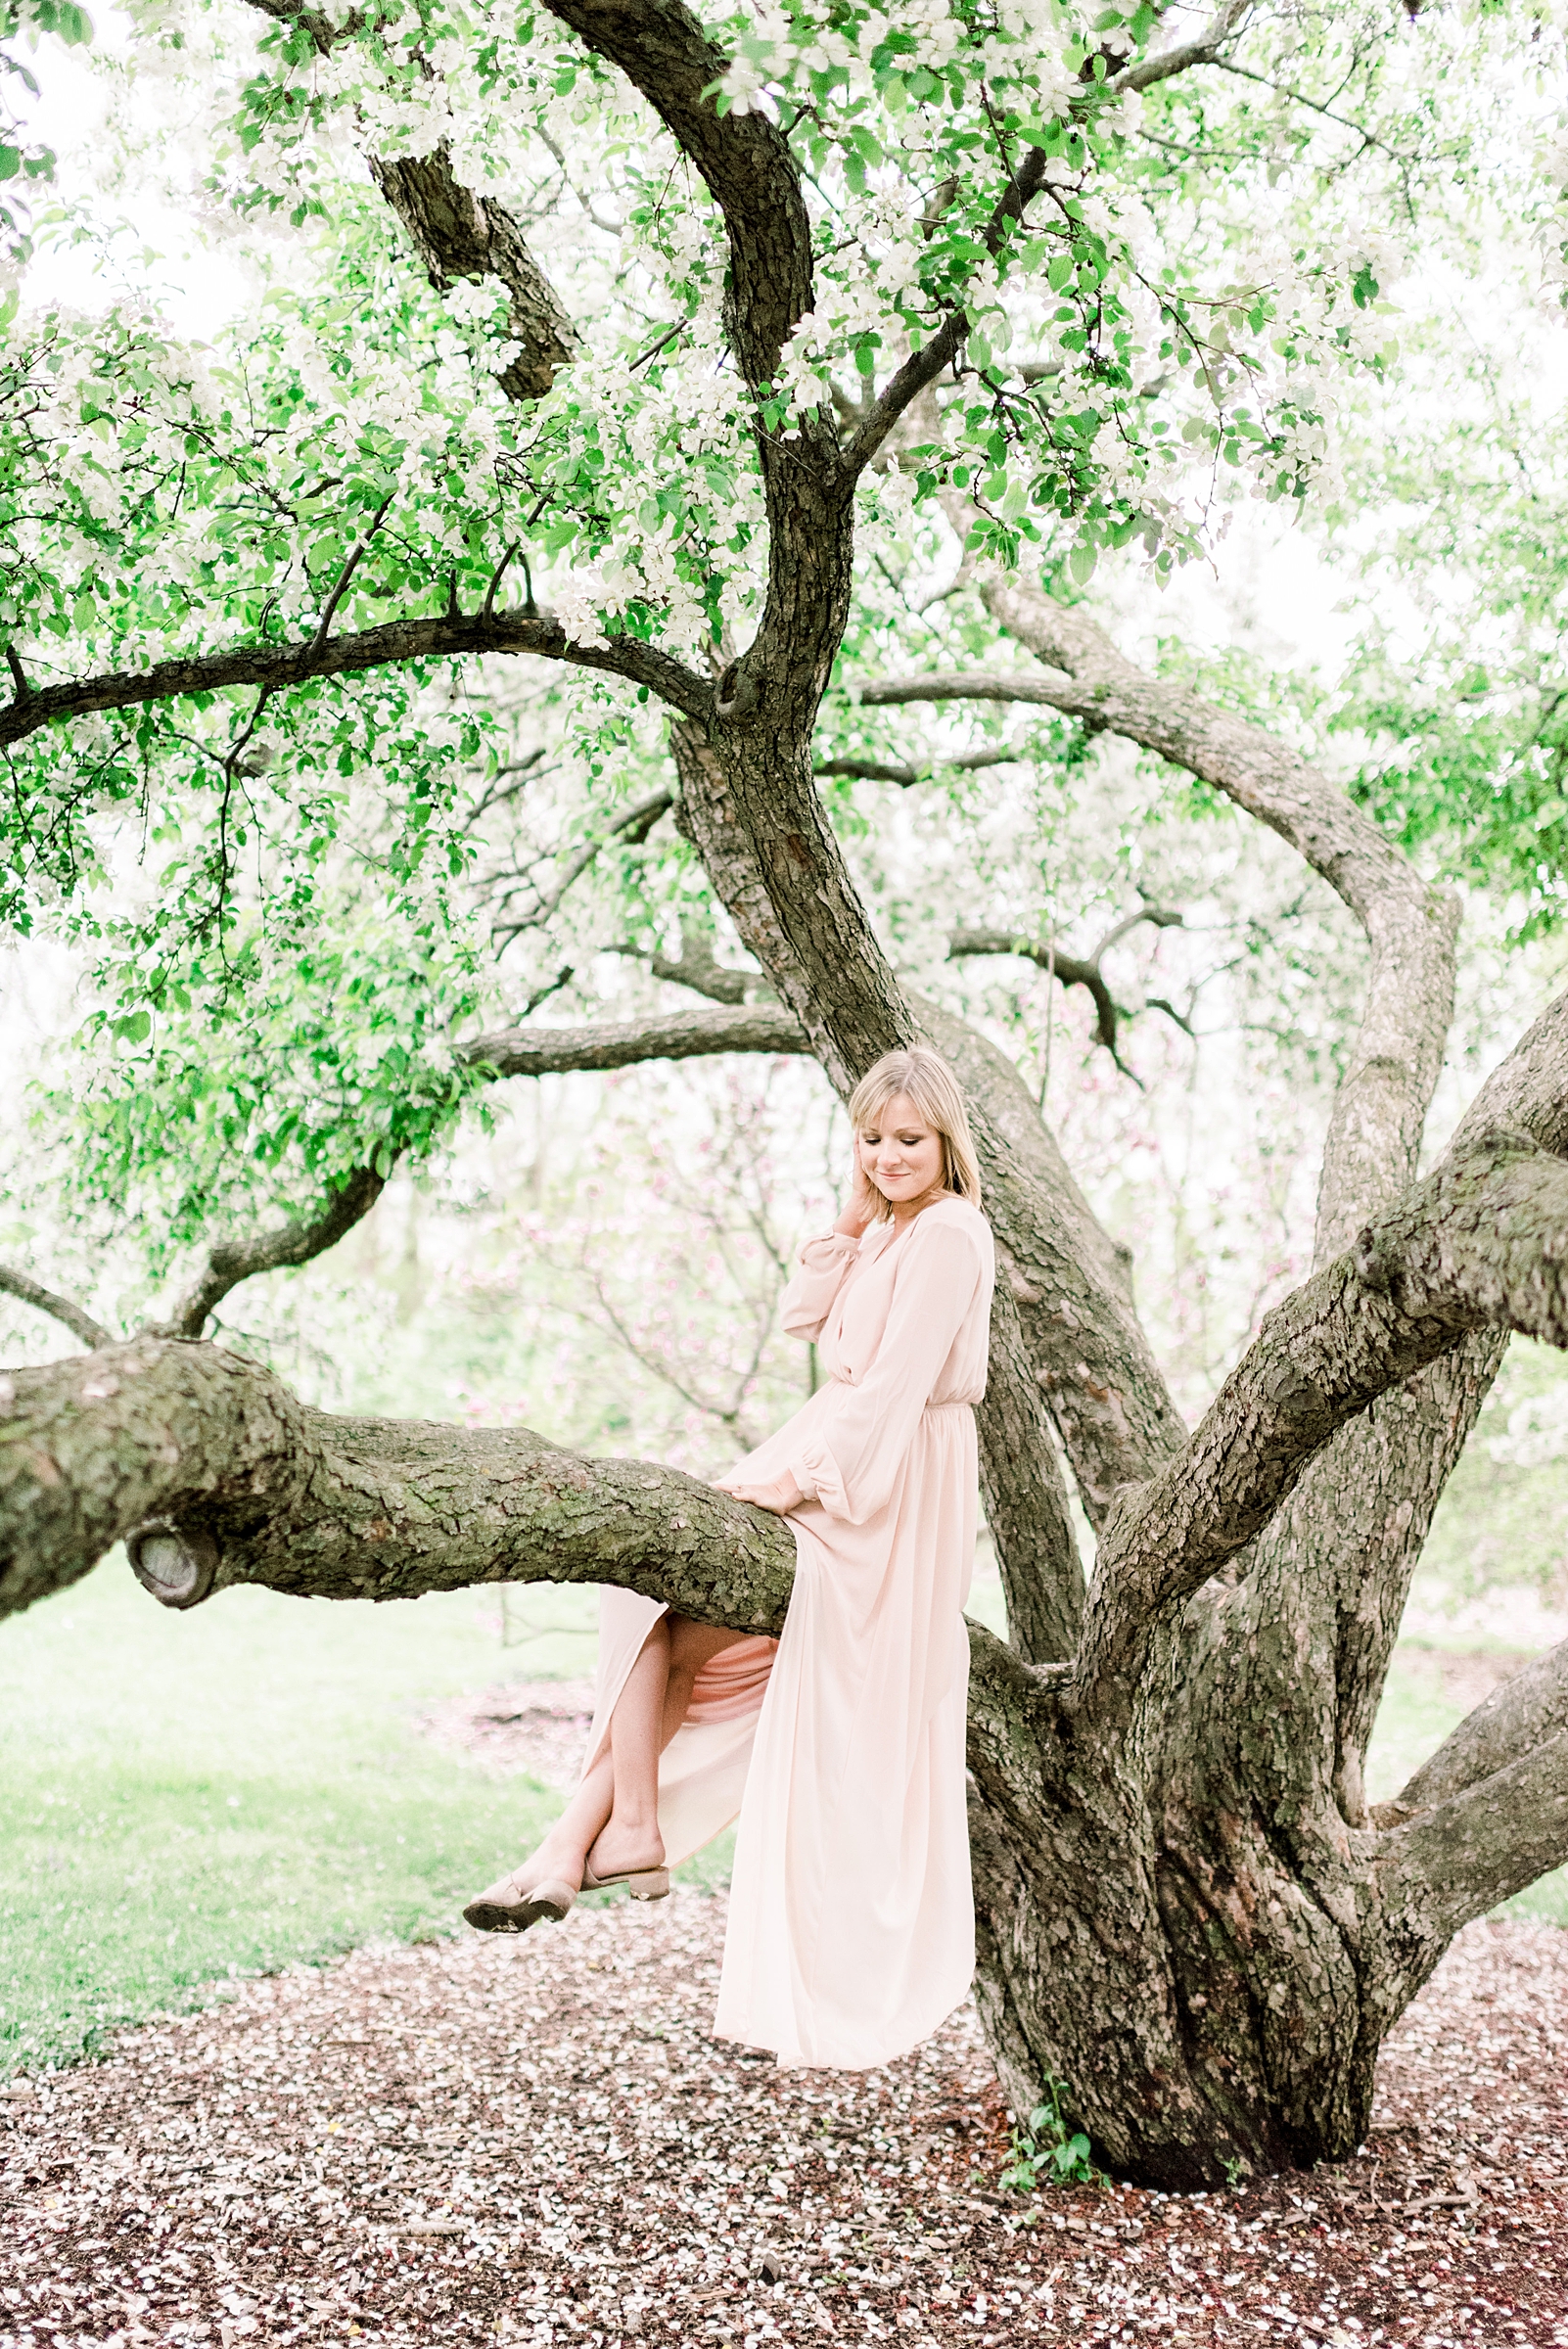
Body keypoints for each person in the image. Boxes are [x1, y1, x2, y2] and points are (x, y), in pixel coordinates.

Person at [464, 1044, 995, 2070]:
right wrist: (851, 1221)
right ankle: (595, 1840)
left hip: (883, 1499)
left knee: (651, 1593)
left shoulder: (951, 1235)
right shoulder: (888, 1231)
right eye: (873, 1139)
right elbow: (807, 1320)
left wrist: (792, 1484)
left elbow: (889, 1396)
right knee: (651, 1608)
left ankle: (591, 1841)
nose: (889, 1156)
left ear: (947, 1143)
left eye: (909, 1141)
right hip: (834, 1458)